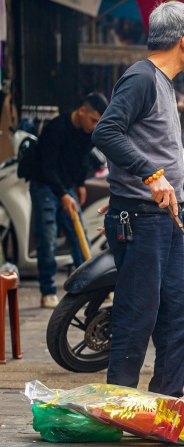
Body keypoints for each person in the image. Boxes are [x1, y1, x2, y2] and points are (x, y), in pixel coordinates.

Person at [91, 1, 184, 397]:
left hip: (162, 219)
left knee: (179, 315)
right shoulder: (140, 78)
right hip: (142, 222)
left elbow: (137, 140)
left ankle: (164, 407)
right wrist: (150, 177)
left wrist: (131, 184)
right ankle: (118, 408)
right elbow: (106, 133)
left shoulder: (164, 83)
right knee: (136, 318)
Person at [27, 93, 108, 308]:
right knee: (47, 238)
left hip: (66, 187)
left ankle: (89, 287)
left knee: (77, 234)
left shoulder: (87, 133)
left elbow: (81, 160)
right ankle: (47, 291)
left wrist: (79, 184)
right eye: (93, 120)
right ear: (82, 110)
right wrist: (63, 194)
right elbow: (47, 166)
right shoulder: (56, 127)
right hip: (44, 185)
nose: (94, 126)